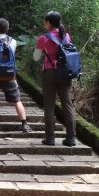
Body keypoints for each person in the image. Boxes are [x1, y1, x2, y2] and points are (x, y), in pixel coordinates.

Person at [0, 18, 33, 134]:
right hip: (10, 76)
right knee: (17, 100)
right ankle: (24, 124)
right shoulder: (13, 42)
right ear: (7, 29)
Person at [33, 11, 77, 146]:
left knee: (49, 106)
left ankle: (50, 138)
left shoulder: (44, 38)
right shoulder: (66, 36)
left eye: (45, 21)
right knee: (67, 104)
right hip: (65, 73)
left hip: (50, 73)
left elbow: (36, 57)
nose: (44, 23)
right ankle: (71, 138)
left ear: (49, 23)